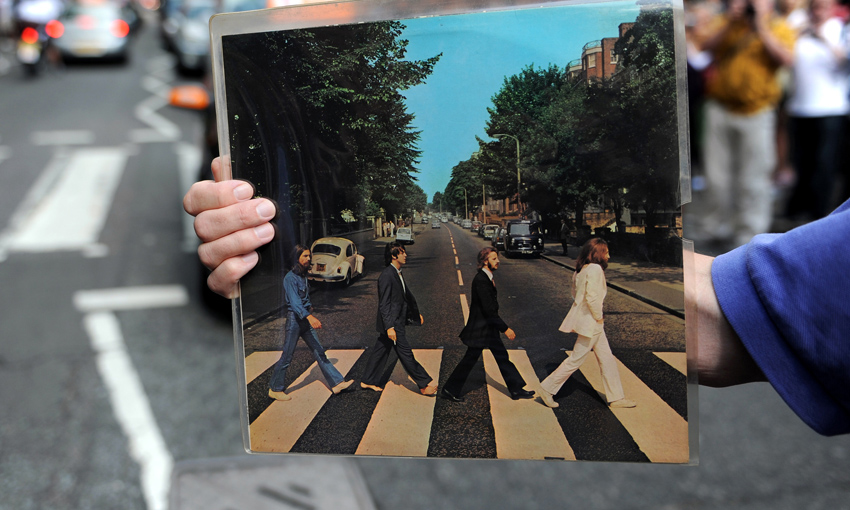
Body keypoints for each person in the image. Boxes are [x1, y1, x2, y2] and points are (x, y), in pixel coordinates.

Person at [183, 158, 850, 436]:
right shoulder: (464, 270)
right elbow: (742, 316)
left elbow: (739, 316)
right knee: (483, 358)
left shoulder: (483, 269)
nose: (495, 253)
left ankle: (514, 382)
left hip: (508, 329)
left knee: (501, 360)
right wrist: (256, 258)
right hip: (490, 328)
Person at [698, 0, 796, 247]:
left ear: (769, 2)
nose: (752, 5)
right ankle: (715, 226)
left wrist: (761, 26)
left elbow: (786, 59)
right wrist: (731, 22)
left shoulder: (779, 27)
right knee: (717, 176)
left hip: (757, 111)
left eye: (758, 0)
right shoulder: (729, 22)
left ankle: (749, 233)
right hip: (720, 108)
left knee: (754, 177)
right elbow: (705, 45)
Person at [536, 238, 635, 410]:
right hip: (592, 322)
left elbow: (575, 295)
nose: (609, 256)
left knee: (607, 359)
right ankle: (547, 388)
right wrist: (598, 317)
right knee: (576, 359)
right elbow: (592, 298)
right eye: (606, 252)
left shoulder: (580, 270)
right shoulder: (596, 269)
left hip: (589, 321)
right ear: (598, 254)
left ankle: (616, 397)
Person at [785, 0, 849, 220]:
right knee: (802, 165)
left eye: (824, 4)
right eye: (815, 3)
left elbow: (842, 59)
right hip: (800, 108)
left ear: (833, 5)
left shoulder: (840, 29)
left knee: (825, 166)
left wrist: (821, 36)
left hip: (830, 109)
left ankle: (820, 213)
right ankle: (798, 212)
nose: (819, 8)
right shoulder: (799, 29)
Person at [440, 247, 535, 403]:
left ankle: (516, 389)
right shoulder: (481, 280)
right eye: (493, 259)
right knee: (470, 359)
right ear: (485, 261)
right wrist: (505, 329)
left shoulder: (487, 278)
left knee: (502, 357)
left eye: (497, 258)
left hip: (488, 329)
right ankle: (450, 389)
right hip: (481, 330)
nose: (497, 261)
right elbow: (489, 310)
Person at [267, 245, 354, 401]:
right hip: (295, 320)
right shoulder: (290, 278)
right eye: (305, 256)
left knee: (319, 351)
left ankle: (337, 383)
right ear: (296, 258)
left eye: (309, 256)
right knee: (287, 356)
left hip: (304, 318)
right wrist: (310, 316)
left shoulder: (302, 275)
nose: (309, 259)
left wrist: (310, 306)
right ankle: (275, 388)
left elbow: (303, 298)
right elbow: (294, 303)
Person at [359, 241, 437, 396]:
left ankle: (367, 380)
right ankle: (423, 383)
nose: (405, 255)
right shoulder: (387, 275)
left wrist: (415, 315)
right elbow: (384, 304)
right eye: (402, 252)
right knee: (406, 353)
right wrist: (389, 327)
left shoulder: (397, 273)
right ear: (394, 256)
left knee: (380, 350)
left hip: (396, 320)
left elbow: (403, 299)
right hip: (393, 323)